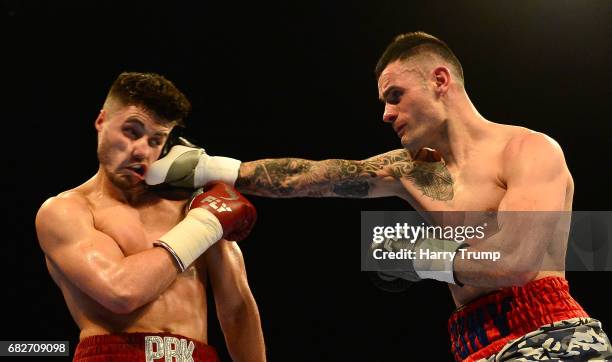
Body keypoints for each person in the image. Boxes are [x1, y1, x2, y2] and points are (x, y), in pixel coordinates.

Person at [146, 32, 612, 361]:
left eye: (395, 95)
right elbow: (314, 176)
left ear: (440, 80)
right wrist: (210, 168)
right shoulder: (413, 170)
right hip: (472, 344)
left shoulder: (528, 149)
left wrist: (417, 256)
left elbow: (515, 261)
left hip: (549, 336)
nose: (387, 113)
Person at [35, 72, 265, 362]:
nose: (141, 150)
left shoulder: (192, 204)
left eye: (156, 140)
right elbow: (120, 292)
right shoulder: (66, 211)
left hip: (195, 355)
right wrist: (204, 224)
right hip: (113, 354)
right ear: (101, 121)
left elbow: (236, 310)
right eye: (131, 131)